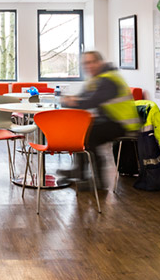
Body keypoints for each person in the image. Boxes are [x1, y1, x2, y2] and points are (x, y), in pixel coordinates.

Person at [58, 51, 141, 190]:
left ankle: (98, 181)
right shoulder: (96, 80)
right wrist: (71, 100)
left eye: (92, 62)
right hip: (110, 120)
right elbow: (82, 97)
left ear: (100, 62)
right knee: (81, 131)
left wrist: (71, 101)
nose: (89, 66)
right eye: (86, 63)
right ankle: (79, 172)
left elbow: (90, 102)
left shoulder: (109, 79)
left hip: (123, 124)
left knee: (89, 136)